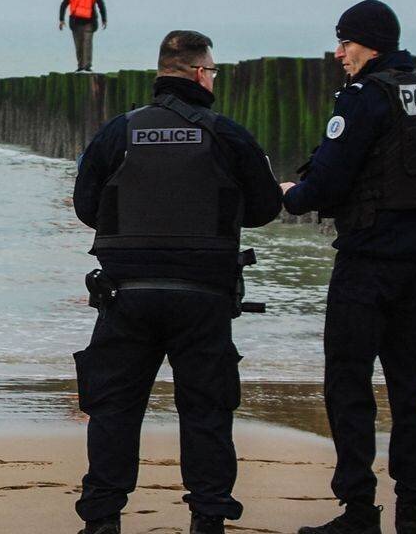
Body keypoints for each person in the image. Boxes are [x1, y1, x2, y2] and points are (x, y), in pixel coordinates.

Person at [72, 31, 282, 534]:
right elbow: (265, 207)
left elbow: (86, 207)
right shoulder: (227, 134)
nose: (213, 77)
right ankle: (208, 519)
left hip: (127, 298)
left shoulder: (118, 132)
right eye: (212, 70)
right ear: (197, 73)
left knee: (114, 411)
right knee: (207, 413)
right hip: (204, 299)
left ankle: (102, 520)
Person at [282, 1, 416, 534]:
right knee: (409, 388)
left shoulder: (364, 98)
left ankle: (359, 509)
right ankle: (412, 507)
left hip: (369, 264)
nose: (339, 54)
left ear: (371, 43)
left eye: (345, 43)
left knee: (348, 383)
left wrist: (291, 196)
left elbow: (331, 182)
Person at [59, 0, 107, 72]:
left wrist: (104, 19)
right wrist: (61, 19)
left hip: (89, 22)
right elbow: (64, 4)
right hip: (76, 23)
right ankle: (80, 66)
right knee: (79, 46)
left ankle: (87, 66)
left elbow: (100, 4)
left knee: (87, 43)